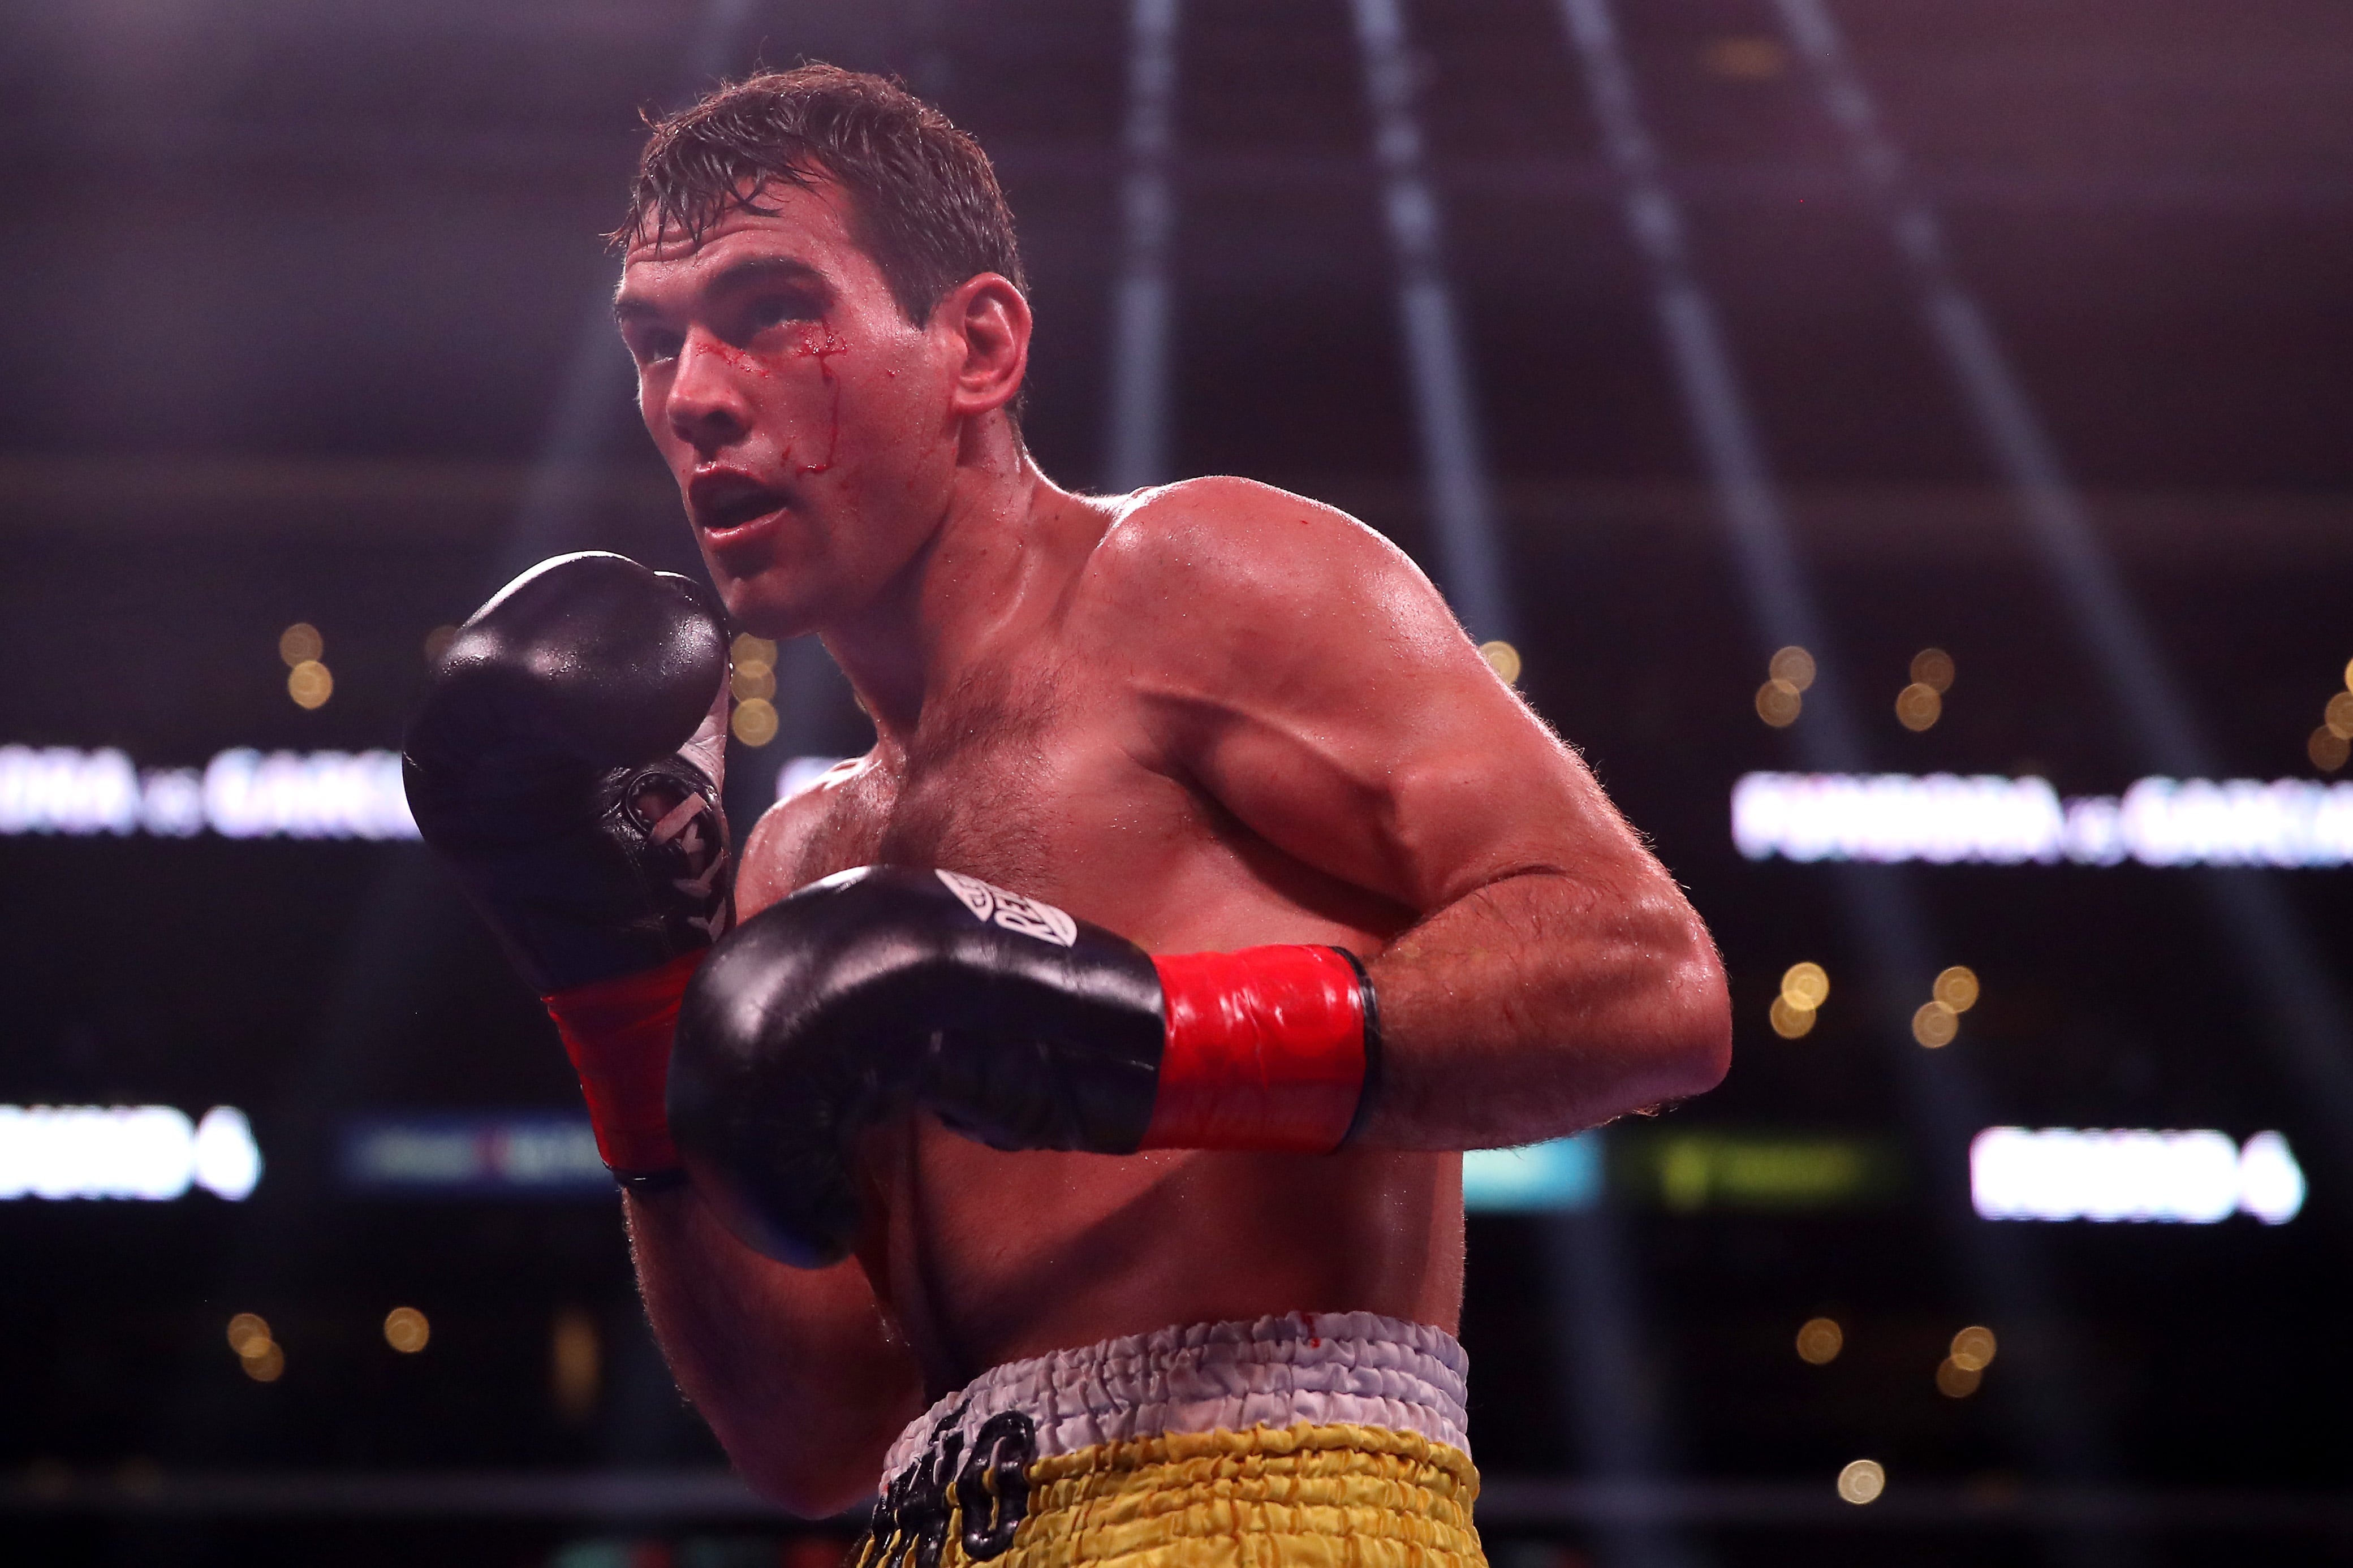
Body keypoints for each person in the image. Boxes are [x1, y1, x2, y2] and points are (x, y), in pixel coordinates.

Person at [406, 64, 1730, 1568]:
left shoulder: (1191, 582)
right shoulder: (800, 859)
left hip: (1265, 1511)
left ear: (976, 343)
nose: (696, 394)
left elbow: (1649, 981)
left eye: (773, 309)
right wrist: (622, 1005)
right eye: (657, 341)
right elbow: (817, 1434)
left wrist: (1131, 1037)